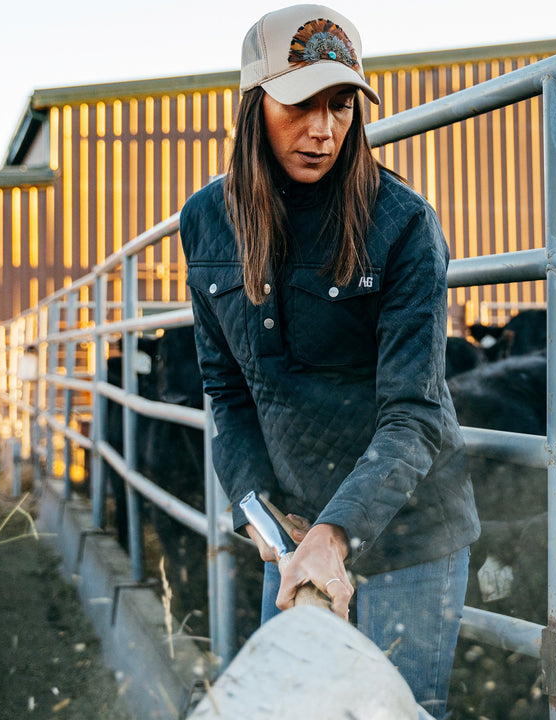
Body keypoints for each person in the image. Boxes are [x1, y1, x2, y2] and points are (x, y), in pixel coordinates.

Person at [179, 4, 480, 716]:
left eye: (341, 105)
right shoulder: (206, 222)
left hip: (410, 531)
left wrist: (335, 535)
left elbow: (413, 412)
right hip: (292, 532)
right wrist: (260, 514)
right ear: (255, 104)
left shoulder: (401, 224)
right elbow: (226, 390)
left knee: (397, 709)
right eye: (299, 105)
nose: (323, 130)